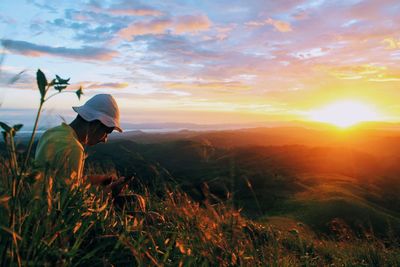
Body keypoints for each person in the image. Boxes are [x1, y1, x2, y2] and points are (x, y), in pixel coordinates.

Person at [34, 94, 126, 194]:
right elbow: (69, 205)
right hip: (47, 209)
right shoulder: (73, 148)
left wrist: (99, 180)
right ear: (96, 124)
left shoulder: (50, 133)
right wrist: (109, 192)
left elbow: (58, 180)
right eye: (107, 131)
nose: (105, 139)